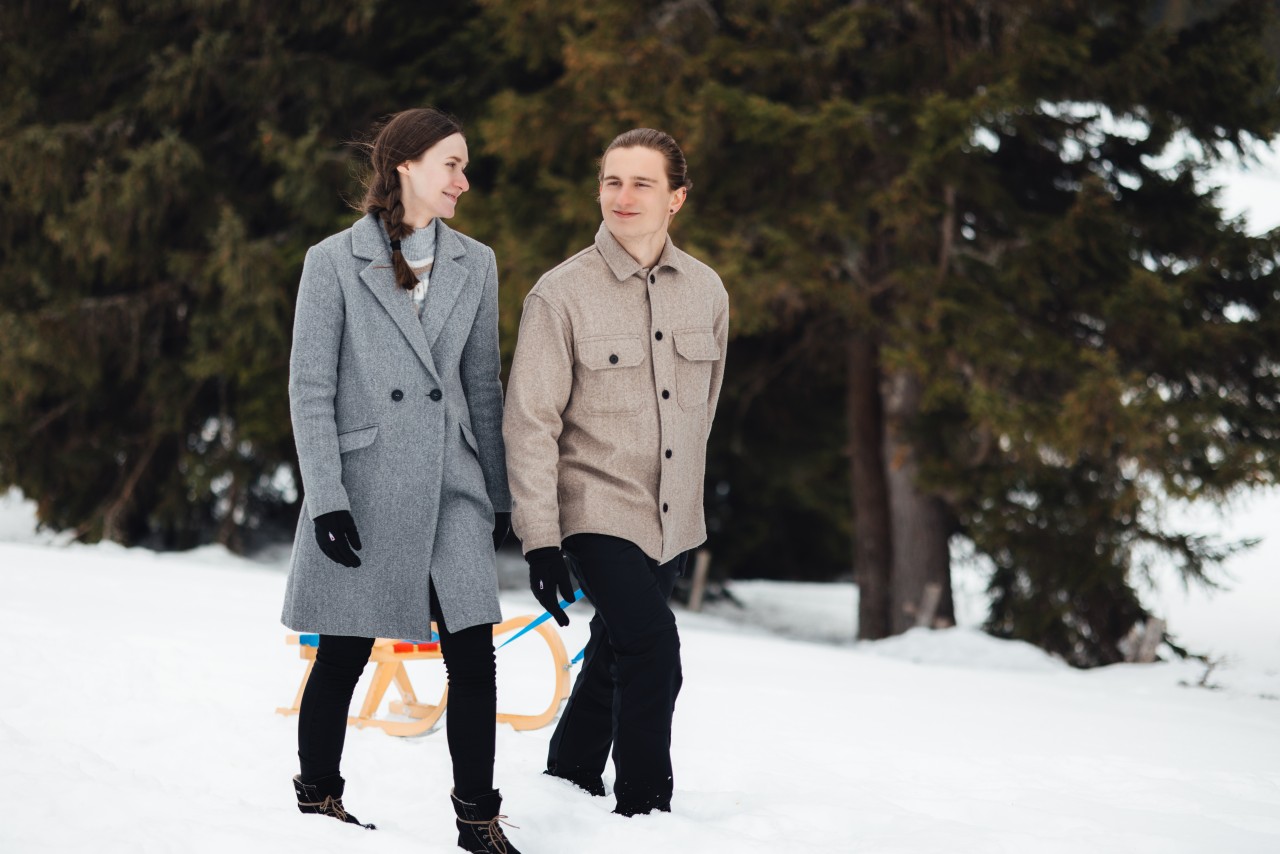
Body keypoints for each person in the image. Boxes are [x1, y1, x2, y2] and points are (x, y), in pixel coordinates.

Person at [281, 107, 521, 854]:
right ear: (406, 166)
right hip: (362, 480)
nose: (464, 180)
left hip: (451, 482)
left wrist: (506, 502)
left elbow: (483, 385)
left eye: (465, 165)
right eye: (452, 164)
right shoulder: (331, 261)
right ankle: (319, 803)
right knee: (346, 647)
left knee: (473, 647)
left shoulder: (473, 262)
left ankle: (477, 819)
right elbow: (310, 387)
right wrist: (326, 499)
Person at [503, 128, 729, 817]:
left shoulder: (708, 291)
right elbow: (530, 420)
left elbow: (705, 409)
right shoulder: (560, 294)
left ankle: (569, 770)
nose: (622, 197)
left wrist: (688, 506)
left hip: (668, 517)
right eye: (611, 181)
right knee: (655, 647)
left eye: (641, 184)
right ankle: (644, 808)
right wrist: (542, 539)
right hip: (592, 508)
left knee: (617, 644)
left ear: (677, 198)